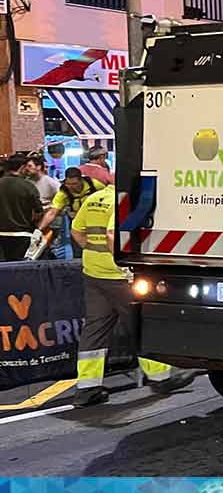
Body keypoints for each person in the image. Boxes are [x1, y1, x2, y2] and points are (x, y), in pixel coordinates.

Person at [72, 184, 201, 406]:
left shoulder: (93, 198)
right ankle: (161, 377)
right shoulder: (122, 200)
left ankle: (87, 388)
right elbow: (112, 233)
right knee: (141, 323)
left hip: (93, 273)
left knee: (94, 329)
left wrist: (93, 253)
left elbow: (77, 232)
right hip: (118, 277)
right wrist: (122, 264)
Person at [39, 167, 100, 255]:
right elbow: (52, 212)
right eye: (68, 184)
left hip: (96, 220)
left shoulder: (94, 185)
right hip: (77, 222)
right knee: (78, 250)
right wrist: (40, 229)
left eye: (74, 184)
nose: (71, 187)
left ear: (81, 180)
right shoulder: (63, 192)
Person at [0, 155, 44, 261]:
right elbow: (38, 212)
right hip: (22, 236)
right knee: (20, 271)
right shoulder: (28, 186)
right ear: (21, 168)